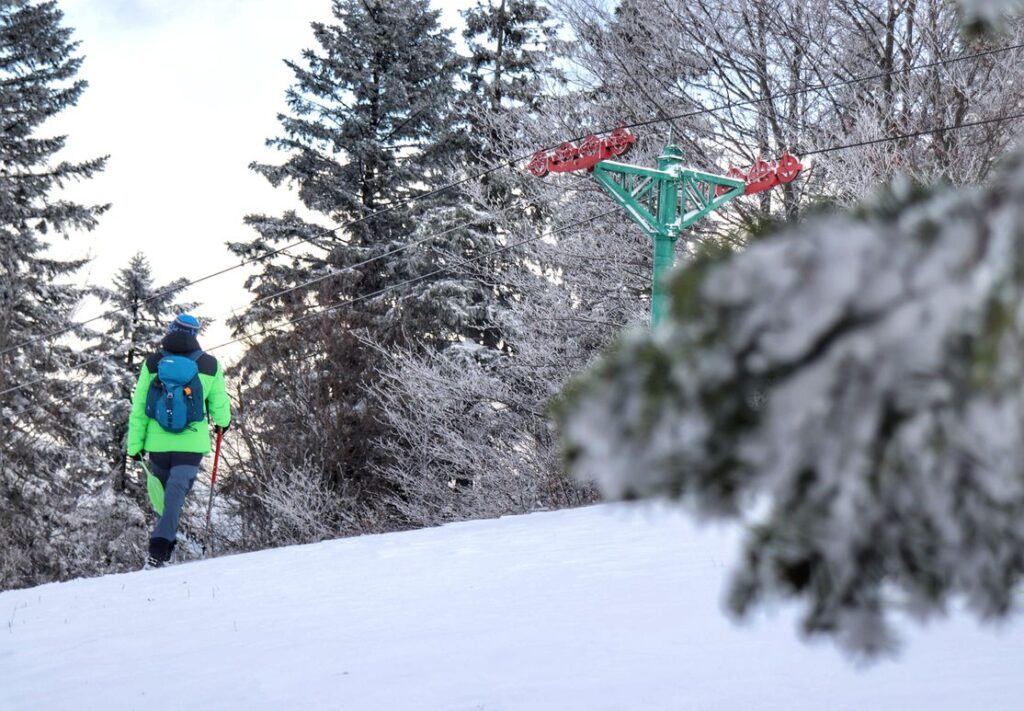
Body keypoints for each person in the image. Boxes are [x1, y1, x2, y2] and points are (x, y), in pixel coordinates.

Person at [126, 314, 231, 568]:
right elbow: (219, 403)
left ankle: (159, 549)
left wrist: (135, 445)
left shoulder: (152, 363)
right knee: (174, 493)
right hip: (191, 444)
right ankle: (160, 549)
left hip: (157, 443)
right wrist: (223, 422)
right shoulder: (208, 364)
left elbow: (140, 406)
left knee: (163, 497)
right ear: (195, 335)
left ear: (171, 331)